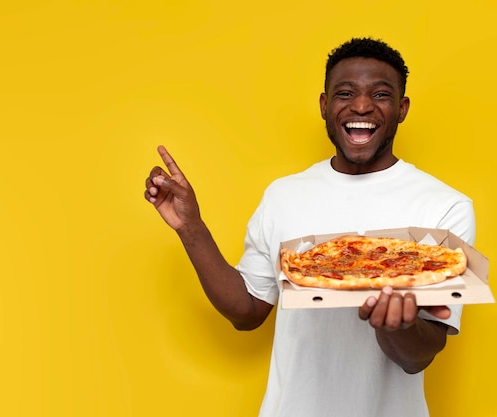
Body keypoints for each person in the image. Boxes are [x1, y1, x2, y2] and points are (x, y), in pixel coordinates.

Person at [144, 37, 475, 417]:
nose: (362, 105)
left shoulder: (445, 205)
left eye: (381, 95)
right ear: (324, 105)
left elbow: (420, 356)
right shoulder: (283, 195)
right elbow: (248, 312)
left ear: (402, 109)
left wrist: (394, 325)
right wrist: (191, 227)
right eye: (345, 92)